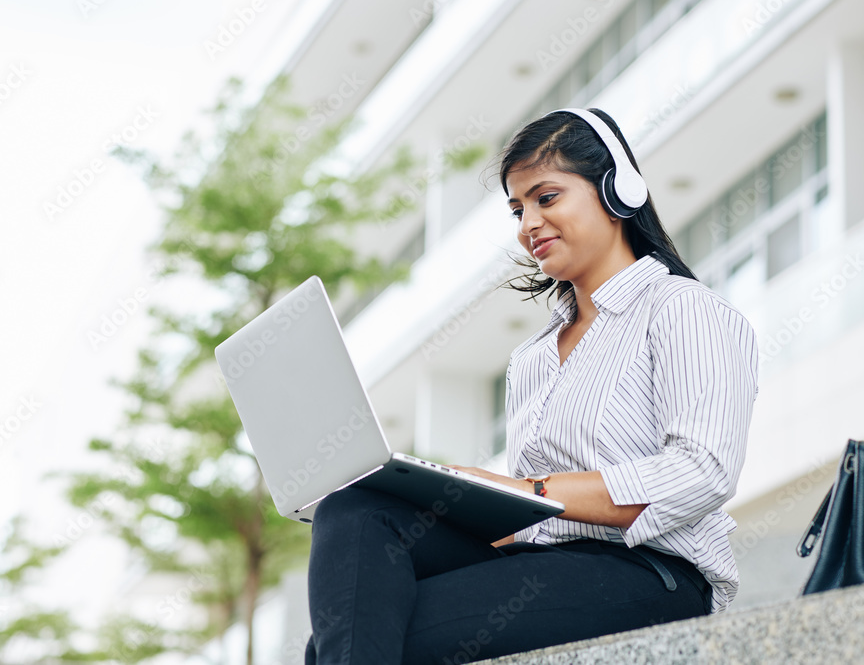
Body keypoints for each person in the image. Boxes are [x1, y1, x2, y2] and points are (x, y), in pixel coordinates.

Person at [302, 108, 759, 664]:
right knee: (355, 509)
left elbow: (701, 472)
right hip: (542, 565)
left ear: (618, 192)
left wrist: (530, 491)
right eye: (518, 209)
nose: (527, 225)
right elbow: (534, 527)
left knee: (361, 636)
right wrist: (451, 496)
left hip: (649, 573)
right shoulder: (534, 357)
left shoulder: (684, 310)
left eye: (546, 197)